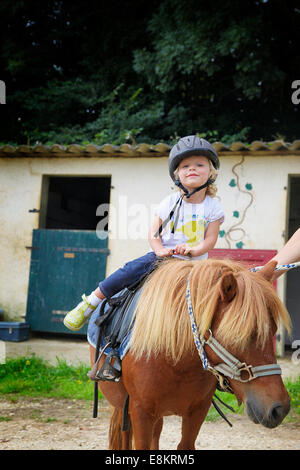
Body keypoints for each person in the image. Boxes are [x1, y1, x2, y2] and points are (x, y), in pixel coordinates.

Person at [63, 135, 225, 332]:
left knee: (221, 289)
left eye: (199, 164)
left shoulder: (213, 206)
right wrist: (159, 250)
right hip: (163, 258)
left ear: (211, 173)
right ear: (177, 176)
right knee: (129, 270)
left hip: (195, 263)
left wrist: (193, 250)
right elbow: (154, 233)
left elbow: (210, 239)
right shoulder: (169, 202)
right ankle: (91, 301)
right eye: (185, 166)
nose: (192, 168)